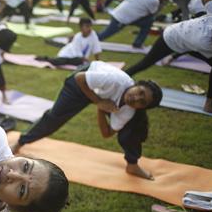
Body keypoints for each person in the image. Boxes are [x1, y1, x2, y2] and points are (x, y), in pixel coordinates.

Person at [11, 61, 163, 180]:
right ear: (136, 85)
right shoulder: (116, 80)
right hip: (81, 82)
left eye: (142, 102)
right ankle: (20, 141)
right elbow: (80, 78)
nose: (136, 98)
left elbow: (107, 133)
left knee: (134, 129)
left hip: (101, 96)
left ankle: (132, 165)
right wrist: (99, 101)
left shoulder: (130, 110)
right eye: (140, 92)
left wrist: (101, 108)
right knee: (54, 119)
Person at [125, 0, 212, 116]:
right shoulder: (207, 44)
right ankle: (122, 77)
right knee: (145, 63)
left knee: (204, 54)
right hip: (169, 38)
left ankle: (208, 103)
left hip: (186, 36)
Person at [98, 0, 171, 48]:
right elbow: (154, 13)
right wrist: (162, 5)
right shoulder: (154, 0)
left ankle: (138, 43)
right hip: (122, 18)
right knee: (104, 35)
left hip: (122, 13)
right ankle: (90, 38)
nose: (163, 0)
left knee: (148, 22)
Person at [36, 18, 101, 67]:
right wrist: (84, 59)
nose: (89, 28)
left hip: (78, 59)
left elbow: (96, 48)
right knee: (59, 62)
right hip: (68, 54)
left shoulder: (93, 35)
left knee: (79, 61)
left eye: (90, 26)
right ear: (81, 27)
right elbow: (76, 51)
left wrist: (98, 62)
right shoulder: (78, 37)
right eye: (86, 26)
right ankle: (46, 58)